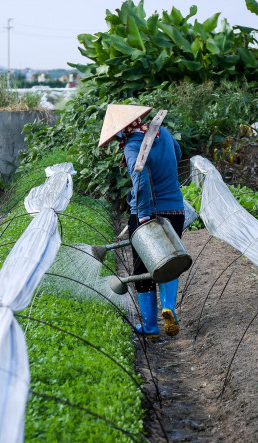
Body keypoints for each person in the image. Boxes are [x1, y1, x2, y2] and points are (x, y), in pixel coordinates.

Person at [99, 104, 184, 338]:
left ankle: (150, 326)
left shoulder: (132, 145)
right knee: (169, 261)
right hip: (176, 209)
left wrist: (144, 215)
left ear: (121, 130)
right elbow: (177, 154)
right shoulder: (162, 132)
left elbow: (141, 180)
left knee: (142, 268)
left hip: (148, 213)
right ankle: (168, 308)